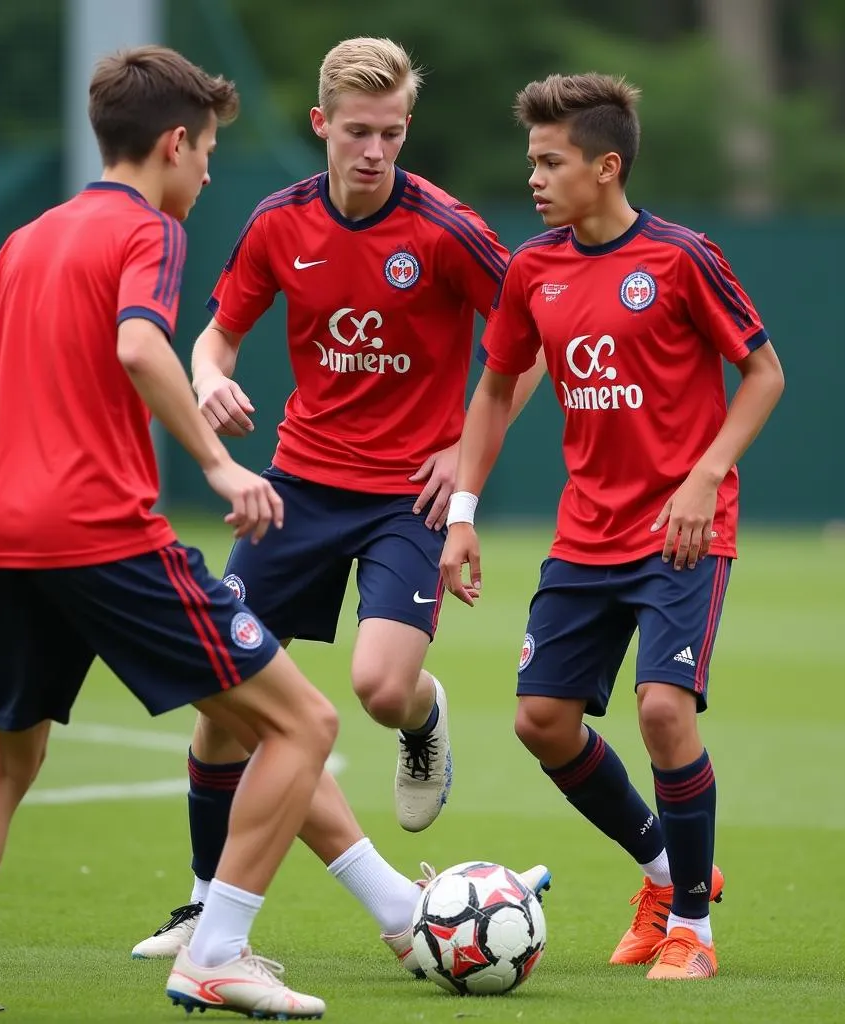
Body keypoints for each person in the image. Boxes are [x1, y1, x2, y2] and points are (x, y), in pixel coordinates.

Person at [0, 46, 339, 1024]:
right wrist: (222, 466)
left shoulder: (30, 236)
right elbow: (141, 342)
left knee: (5, 761)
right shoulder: (150, 231)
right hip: (97, 528)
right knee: (304, 723)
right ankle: (217, 952)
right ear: (174, 144)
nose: (210, 172)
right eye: (209, 150)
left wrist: (15, 450)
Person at [131, 37, 549, 966]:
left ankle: (424, 716)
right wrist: (207, 382)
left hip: (409, 494)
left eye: (392, 134)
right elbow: (215, 339)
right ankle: (204, 906)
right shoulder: (280, 224)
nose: (374, 151)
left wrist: (463, 451)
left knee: (379, 688)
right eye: (358, 132)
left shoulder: (447, 228)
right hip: (300, 484)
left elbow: (532, 345)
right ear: (321, 124)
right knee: (224, 701)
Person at [440, 72, 784, 981]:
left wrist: (706, 476)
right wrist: (463, 515)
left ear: (607, 164)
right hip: (585, 533)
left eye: (550, 161)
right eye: (530, 162)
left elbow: (764, 374)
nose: (535, 178)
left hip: (680, 530)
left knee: (664, 711)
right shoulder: (533, 268)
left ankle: (694, 934)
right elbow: (496, 388)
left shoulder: (682, 257)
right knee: (541, 720)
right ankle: (669, 874)